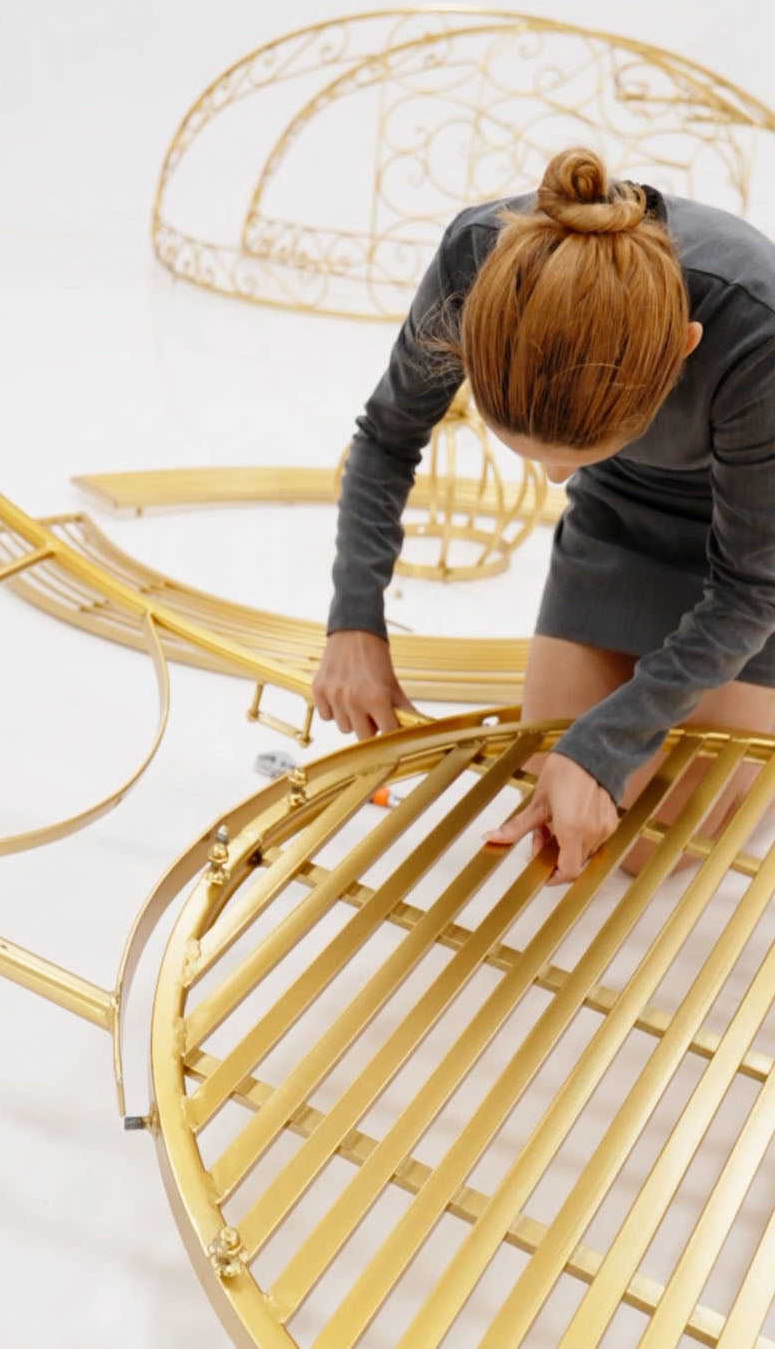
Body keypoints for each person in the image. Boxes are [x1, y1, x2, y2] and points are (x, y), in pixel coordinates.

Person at [311, 146, 775, 883]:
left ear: (684, 350)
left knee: (657, 847)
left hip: (759, 544)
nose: (558, 478)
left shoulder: (755, 321)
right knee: (552, 784)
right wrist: (354, 620)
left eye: (579, 450)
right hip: (620, 514)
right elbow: (386, 437)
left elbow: (753, 588)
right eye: (530, 453)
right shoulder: (480, 261)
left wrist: (607, 744)